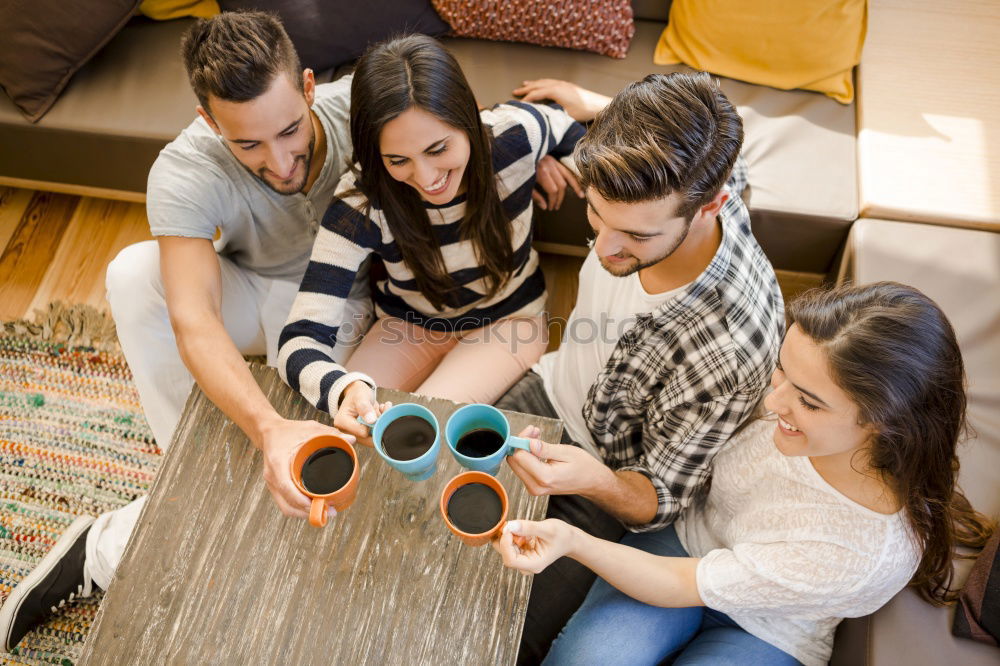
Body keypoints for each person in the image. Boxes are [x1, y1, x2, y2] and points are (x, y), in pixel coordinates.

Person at [0, 14, 577, 654]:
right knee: (330, 456)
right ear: (210, 121)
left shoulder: (490, 131)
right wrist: (340, 387)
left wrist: (553, 146)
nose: (279, 161)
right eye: (248, 144)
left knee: (414, 447)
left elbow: (565, 131)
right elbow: (274, 332)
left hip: (496, 323)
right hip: (390, 316)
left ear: (308, 90)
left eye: (288, 132)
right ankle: (172, 500)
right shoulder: (361, 198)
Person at [495, 282, 997, 665]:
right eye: (783, 371)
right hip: (690, 541)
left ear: (884, 423)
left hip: (768, 626)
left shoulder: (862, 552)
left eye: (808, 401)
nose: (773, 401)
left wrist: (572, 540)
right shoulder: (793, 403)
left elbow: (680, 584)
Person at [492, 72, 785, 662]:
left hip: (606, 481)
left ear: (712, 206)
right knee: (410, 510)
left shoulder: (727, 351)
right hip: (550, 391)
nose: (601, 249)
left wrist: (588, 478)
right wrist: (597, 105)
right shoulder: (694, 173)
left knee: (497, 633)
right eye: (596, 215)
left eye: (635, 235)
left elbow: (661, 499)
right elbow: (720, 140)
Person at [277, 34, 586, 439]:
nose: (426, 179)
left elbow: (586, 144)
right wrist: (344, 387)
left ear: (470, 119)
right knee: (346, 433)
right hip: (407, 327)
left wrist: (554, 159)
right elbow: (299, 339)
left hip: (509, 322)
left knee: (414, 436)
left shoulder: (518, 134)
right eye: (398, 160)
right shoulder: (361, 202)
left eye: (438, 148)